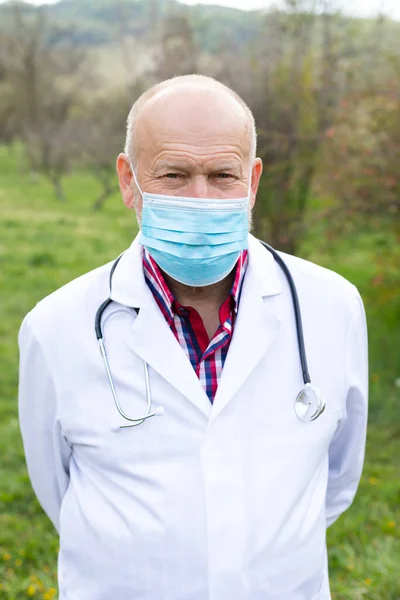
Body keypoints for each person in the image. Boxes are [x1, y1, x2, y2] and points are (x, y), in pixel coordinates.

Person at [18, 75, 368, 600]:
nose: (200, 199)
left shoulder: (332, 307)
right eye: (174, 175)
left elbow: (337, 479)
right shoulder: (56, 327)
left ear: (252, 182)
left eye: (222, 174)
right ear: (128, 181)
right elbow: (56, 487)